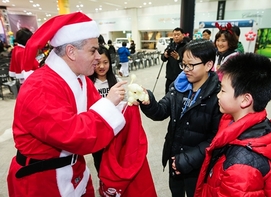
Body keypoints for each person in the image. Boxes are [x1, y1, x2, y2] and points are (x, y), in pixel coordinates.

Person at [7, 12, 129, 197]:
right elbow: (74, 134)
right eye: (92, 50)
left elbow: (96, 109)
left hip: (74, 169)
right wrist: (109, 104)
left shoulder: (80, 78)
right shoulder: (40, 86)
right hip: (41, 179)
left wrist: (125, 106)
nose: (98, 56)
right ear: (71, 51)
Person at [194, 53, 271, 197]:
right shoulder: (240, 125)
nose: (218, 95)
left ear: (245, 100)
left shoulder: (242, 167)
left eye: (222, 90)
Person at [140, 39, 222, 197]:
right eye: (183, 64)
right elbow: (161, 111)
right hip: (175, 159)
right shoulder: (180, 86)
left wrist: (188, 159)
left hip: (198, 165)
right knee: (176, 192)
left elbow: (215, 139)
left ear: (208, 65)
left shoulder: (218, 96)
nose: (186, 70)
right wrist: (148, 101)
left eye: (191, 65)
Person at [88, 45, 121, 173]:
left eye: (105, 62)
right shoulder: (88, 83)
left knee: (116, 160)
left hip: (115, 129)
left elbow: (124, 104)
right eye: (97, 63)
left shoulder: (116, 80)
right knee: (100, 163)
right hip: (98, 131)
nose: (101, 66)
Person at [161, 27, 188, 94]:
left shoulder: (187, 46)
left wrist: (179, 58)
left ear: (183, 35)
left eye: (178, 34)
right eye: (174, 35)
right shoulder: (170, 45)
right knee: (168, 94)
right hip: (170, 76)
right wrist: (165, 56)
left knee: (179, 95)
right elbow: (163, 58)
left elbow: (189, 61)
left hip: (182, 76)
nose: (176, 36)